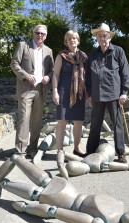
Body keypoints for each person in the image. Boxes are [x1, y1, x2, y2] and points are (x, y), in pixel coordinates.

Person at [85, 23, 129, 163]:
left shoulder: (118, 51)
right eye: (99, 36)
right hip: (97, 95)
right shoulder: (92, 54)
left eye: (105, 35)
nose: (102, 38)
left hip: (114, 94)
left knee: (117, 125)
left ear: (109, 37)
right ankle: (90, 152)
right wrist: (89, 95)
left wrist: (124, 92)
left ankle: (120, 153)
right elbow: (88, 77)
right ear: (97, 38)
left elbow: (125, 73)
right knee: (95, 125)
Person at [10, 24, 54, 159]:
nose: (40, 35)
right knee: (24, 119)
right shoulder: (23, 45)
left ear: (46, 36)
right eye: (37, 33)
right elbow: (14, 64)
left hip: (41, 89)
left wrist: (48, 76)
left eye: (42, 34)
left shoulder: (49, 51)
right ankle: (20, 151)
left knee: (36, 121)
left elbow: (52, 69)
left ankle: (32, 149)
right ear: (33, 33)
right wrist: (25, 75)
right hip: (26, 88)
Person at [52, 30, 88, 158]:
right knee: (62, 121)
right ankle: (60, 151)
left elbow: (86, 76)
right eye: (69, 39)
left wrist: (88, 95)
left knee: (78, 121)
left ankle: (77, 148)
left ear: (77, 40)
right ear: (66, 42)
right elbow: (55, 75)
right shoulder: (61, 56)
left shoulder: (84, 57)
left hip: (79, 92)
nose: (72, 40)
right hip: (63, 91)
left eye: (74, 38)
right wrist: (55, 91)